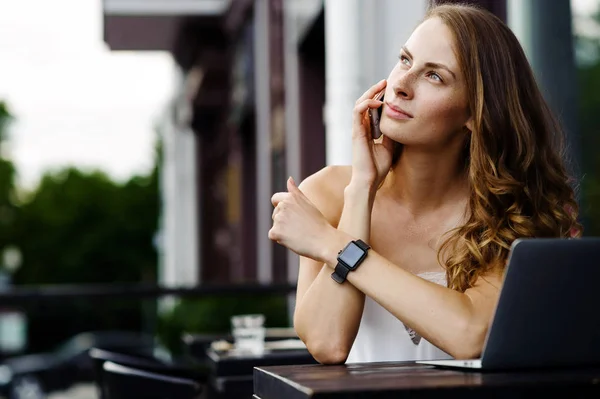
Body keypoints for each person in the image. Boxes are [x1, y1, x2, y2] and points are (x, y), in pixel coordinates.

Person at [268, 3, 582, 364]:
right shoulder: (329, 192)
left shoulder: (508, 209)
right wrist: (362, 189)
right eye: (405, 60)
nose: (401, 86)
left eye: (434, 76)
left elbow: (469, 334)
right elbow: (328, 344)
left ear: (473, 112)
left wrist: (330, 242)